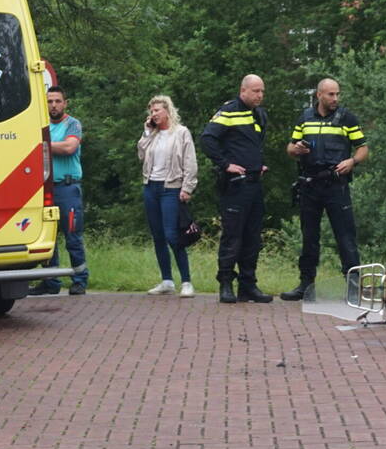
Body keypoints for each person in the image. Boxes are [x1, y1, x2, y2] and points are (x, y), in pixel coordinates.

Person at [281, 78, 369, 301]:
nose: (335, 99)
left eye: (337, 94)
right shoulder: (305, 118)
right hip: (310, 185)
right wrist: (296, 149)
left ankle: (353, 288)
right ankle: (306, 285)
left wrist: (352, 162)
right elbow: (290, 148)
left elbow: (363, 148)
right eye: (330, 94)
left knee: (345, 237)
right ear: (319, 95)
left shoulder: (347, 118)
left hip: (336, 185)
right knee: (309, 237)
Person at [200, 74, 272, 304]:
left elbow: (252, 146)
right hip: (235, 186)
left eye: (262, 91)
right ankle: (225, 283)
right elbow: (207, 139)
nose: (259, 95)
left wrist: (257, 165)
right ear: (243, 91)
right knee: (233, 236)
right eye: (255, 91)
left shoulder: (260, 114)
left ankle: (248, 285)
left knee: (253, 237)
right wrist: (225, 164)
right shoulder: (229, 111)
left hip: (254, 182)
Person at [30, 85, 89, 295]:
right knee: (48, 237)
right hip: (45, 188)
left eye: (57, 101)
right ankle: (51, 281)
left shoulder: (73, 124)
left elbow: (69, 148)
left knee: (73, 236)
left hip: (68, 188)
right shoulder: (41, 125)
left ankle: (80, 279)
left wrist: (40, 144)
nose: (53, 105)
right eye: (49, 101)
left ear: (65, 103)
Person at [137, 95, 198, 298]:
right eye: (151, 111)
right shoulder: (151, 135)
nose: (153, 114)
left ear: (167, 111)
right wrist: (146, 132)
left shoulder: (181, 133)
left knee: (173, 235)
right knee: (158, 236)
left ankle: (187, 282)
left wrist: (187, 188)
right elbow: (141, 155)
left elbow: (190, 162)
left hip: (171, 187)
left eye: (157, 110)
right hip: (151, 187)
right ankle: (167, 281)